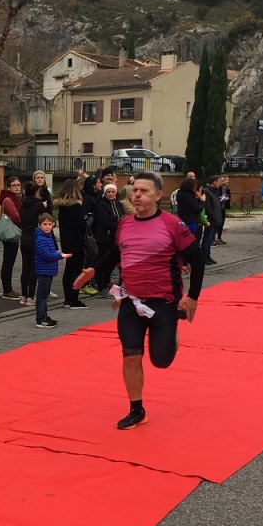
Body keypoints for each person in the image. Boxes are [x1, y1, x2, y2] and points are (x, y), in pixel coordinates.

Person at [73, 171, 205, 430]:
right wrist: (93, 270)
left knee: (161, 360)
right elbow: (114, 253)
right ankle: (136, 409)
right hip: (131, 301)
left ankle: (171, 335)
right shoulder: (124, 223)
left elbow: (197, 260)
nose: (137, 195)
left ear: (158, 195)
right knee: (130, 356)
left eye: (144, 191)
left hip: (164, 303)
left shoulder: (172, 225)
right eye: (134, 190)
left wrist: (192, 297)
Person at [53, 178, 87, 309]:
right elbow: (81, 225)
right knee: (76, 270)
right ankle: (74, 299)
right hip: (77, 241)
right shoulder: (76, 206)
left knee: (69, 269)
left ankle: (68, 298)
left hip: (66, 241)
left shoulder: (62, 207)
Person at [33, 213, 71, 328]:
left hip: (48, 270)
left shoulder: (47, 237)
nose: (47, 227)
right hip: (44, 271)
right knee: (42, 297)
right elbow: (47, 255)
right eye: (45, 224)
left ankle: (44, 315)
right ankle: (41, 319)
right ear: (39, 225)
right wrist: (60, 255)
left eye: (50, 224)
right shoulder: (41, 239)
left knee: (44, 296)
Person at [19, 181, 46, 307]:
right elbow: (45, 219)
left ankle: (23, 295)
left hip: (24, 237)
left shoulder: (22, 204)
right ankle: (31, 296)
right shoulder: (39, 205)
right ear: (36, 192)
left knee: (25, 267)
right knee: (33, 268)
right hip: (35, 238)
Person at [94, 182, 123, 291]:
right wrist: (118, 225)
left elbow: (122, 217)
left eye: (112, 191)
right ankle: (101, 286)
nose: (111, 194)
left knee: (112, 263)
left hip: (115, 237)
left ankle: (107, 283)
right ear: (105, 193)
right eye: (108, 192)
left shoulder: (119, 204)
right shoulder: (102, 205)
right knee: (104, 261)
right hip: (105, 237)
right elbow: (104, 221)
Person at [0, 176, 22, 299]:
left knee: (9, 260)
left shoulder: (15, 198)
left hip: (12, 232)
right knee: (8, 261)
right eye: (14, 185)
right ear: (8, 187)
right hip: (10, 232)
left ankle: (8, 288)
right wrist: (23, 225)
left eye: (18, 185)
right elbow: (16, 217)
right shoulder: (8, 199)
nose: (17, 187)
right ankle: (7, 289)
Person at [202, 175, 222, 264]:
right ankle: (204, 257)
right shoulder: (207, 192)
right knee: (207, 239)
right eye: (218, 181)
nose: (220, 183)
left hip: (216, 219)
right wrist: (213, 217)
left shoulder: (214, 192)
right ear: (214, 182)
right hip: (211, 220)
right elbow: (208, 207)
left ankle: (208, 256)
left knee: (210, 240)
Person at [214, 175, 231, 244]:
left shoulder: (226, 188)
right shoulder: (218, 188)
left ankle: (219, 237)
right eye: (222, 180)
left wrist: (227, 197)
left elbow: (228, 195)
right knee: (217, 223)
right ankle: (214, 238)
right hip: (218, 207)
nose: (225, 181)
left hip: (223, 207)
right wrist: (221, 198)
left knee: (221, 223)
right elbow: (216, 197)